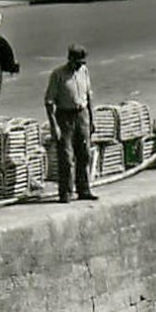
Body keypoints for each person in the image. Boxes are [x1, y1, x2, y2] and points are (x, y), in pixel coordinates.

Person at [44, 45, 96, 203]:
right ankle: (66, 192)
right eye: (77, 62)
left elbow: (89, 96)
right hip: (65, 117)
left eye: (82, 62)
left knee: (84, 154)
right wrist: (54, 125)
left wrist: (91, 120)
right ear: (70, 60)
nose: (80, 65)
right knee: (66, 157)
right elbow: (49, 102)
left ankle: (84, 189)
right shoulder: (58, 75)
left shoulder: (84, 72)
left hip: (82, 115)